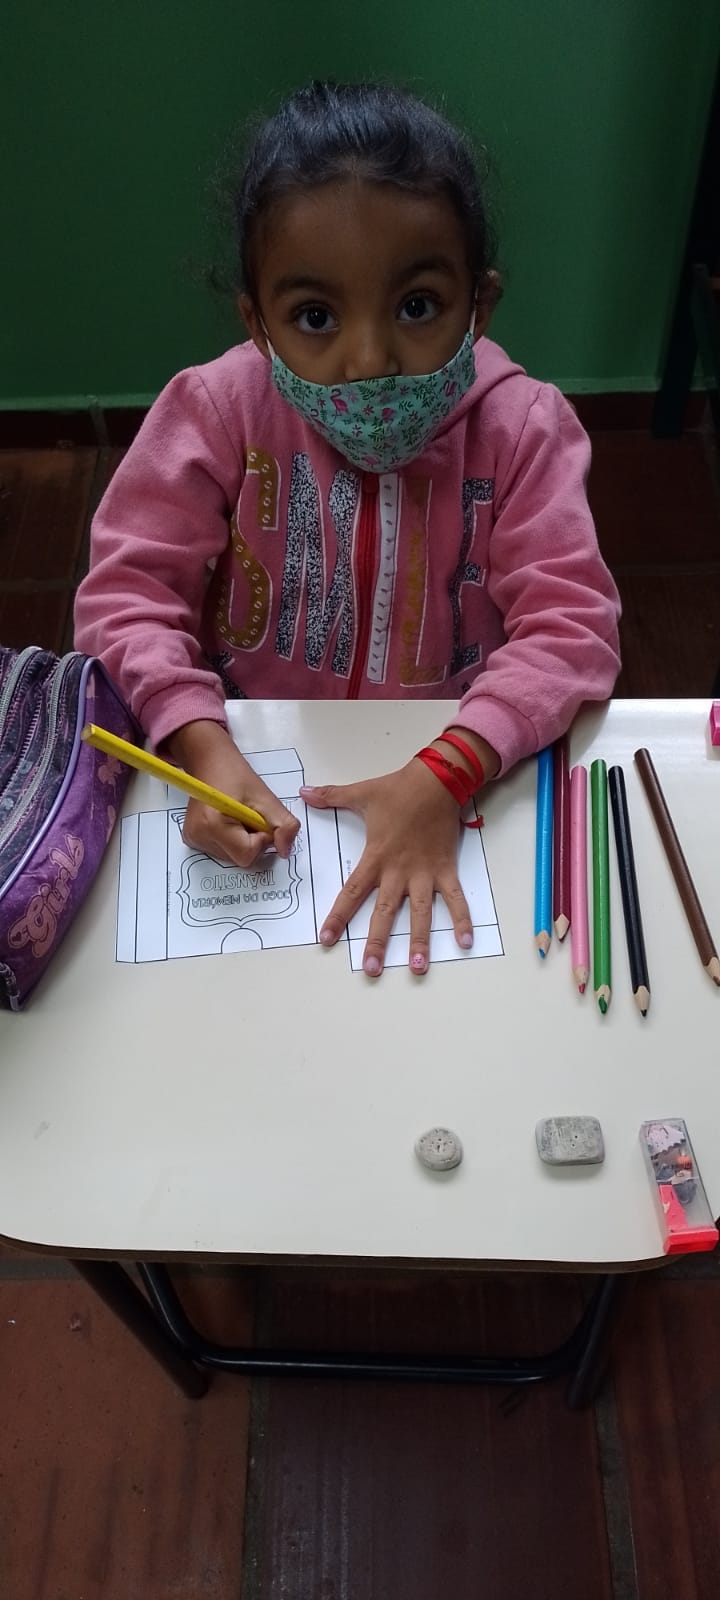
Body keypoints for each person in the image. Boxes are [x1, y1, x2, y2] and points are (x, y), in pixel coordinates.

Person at [74, 80, 621, 978]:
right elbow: (128, 598)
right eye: (316, 317)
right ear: (257, 324)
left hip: (469, 765)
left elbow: (573, 629)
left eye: (417, 305)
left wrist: (449, 768)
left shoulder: (525, 431)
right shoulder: (216, 412)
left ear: (479, 305)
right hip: (259, 758)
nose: (367, 361)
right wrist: (196, 741)